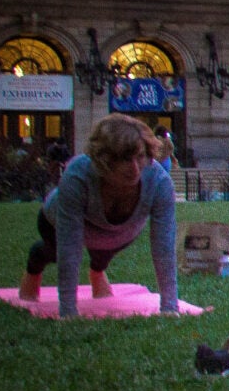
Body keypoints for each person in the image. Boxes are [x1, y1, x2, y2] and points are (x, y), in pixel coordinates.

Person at [19, 114, 178, 318]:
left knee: (103, 253)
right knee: (53, 251)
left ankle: (97, 271)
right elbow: (70, 245)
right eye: (124, 159)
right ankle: (34, 266)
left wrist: (170, 308)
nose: (135, 168)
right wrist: (68, 311)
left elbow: (163, 246)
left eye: (139, 157)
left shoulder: (159, 182)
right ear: (104, 160)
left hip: (118, 231)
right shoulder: (78, 175)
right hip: (56, 224)